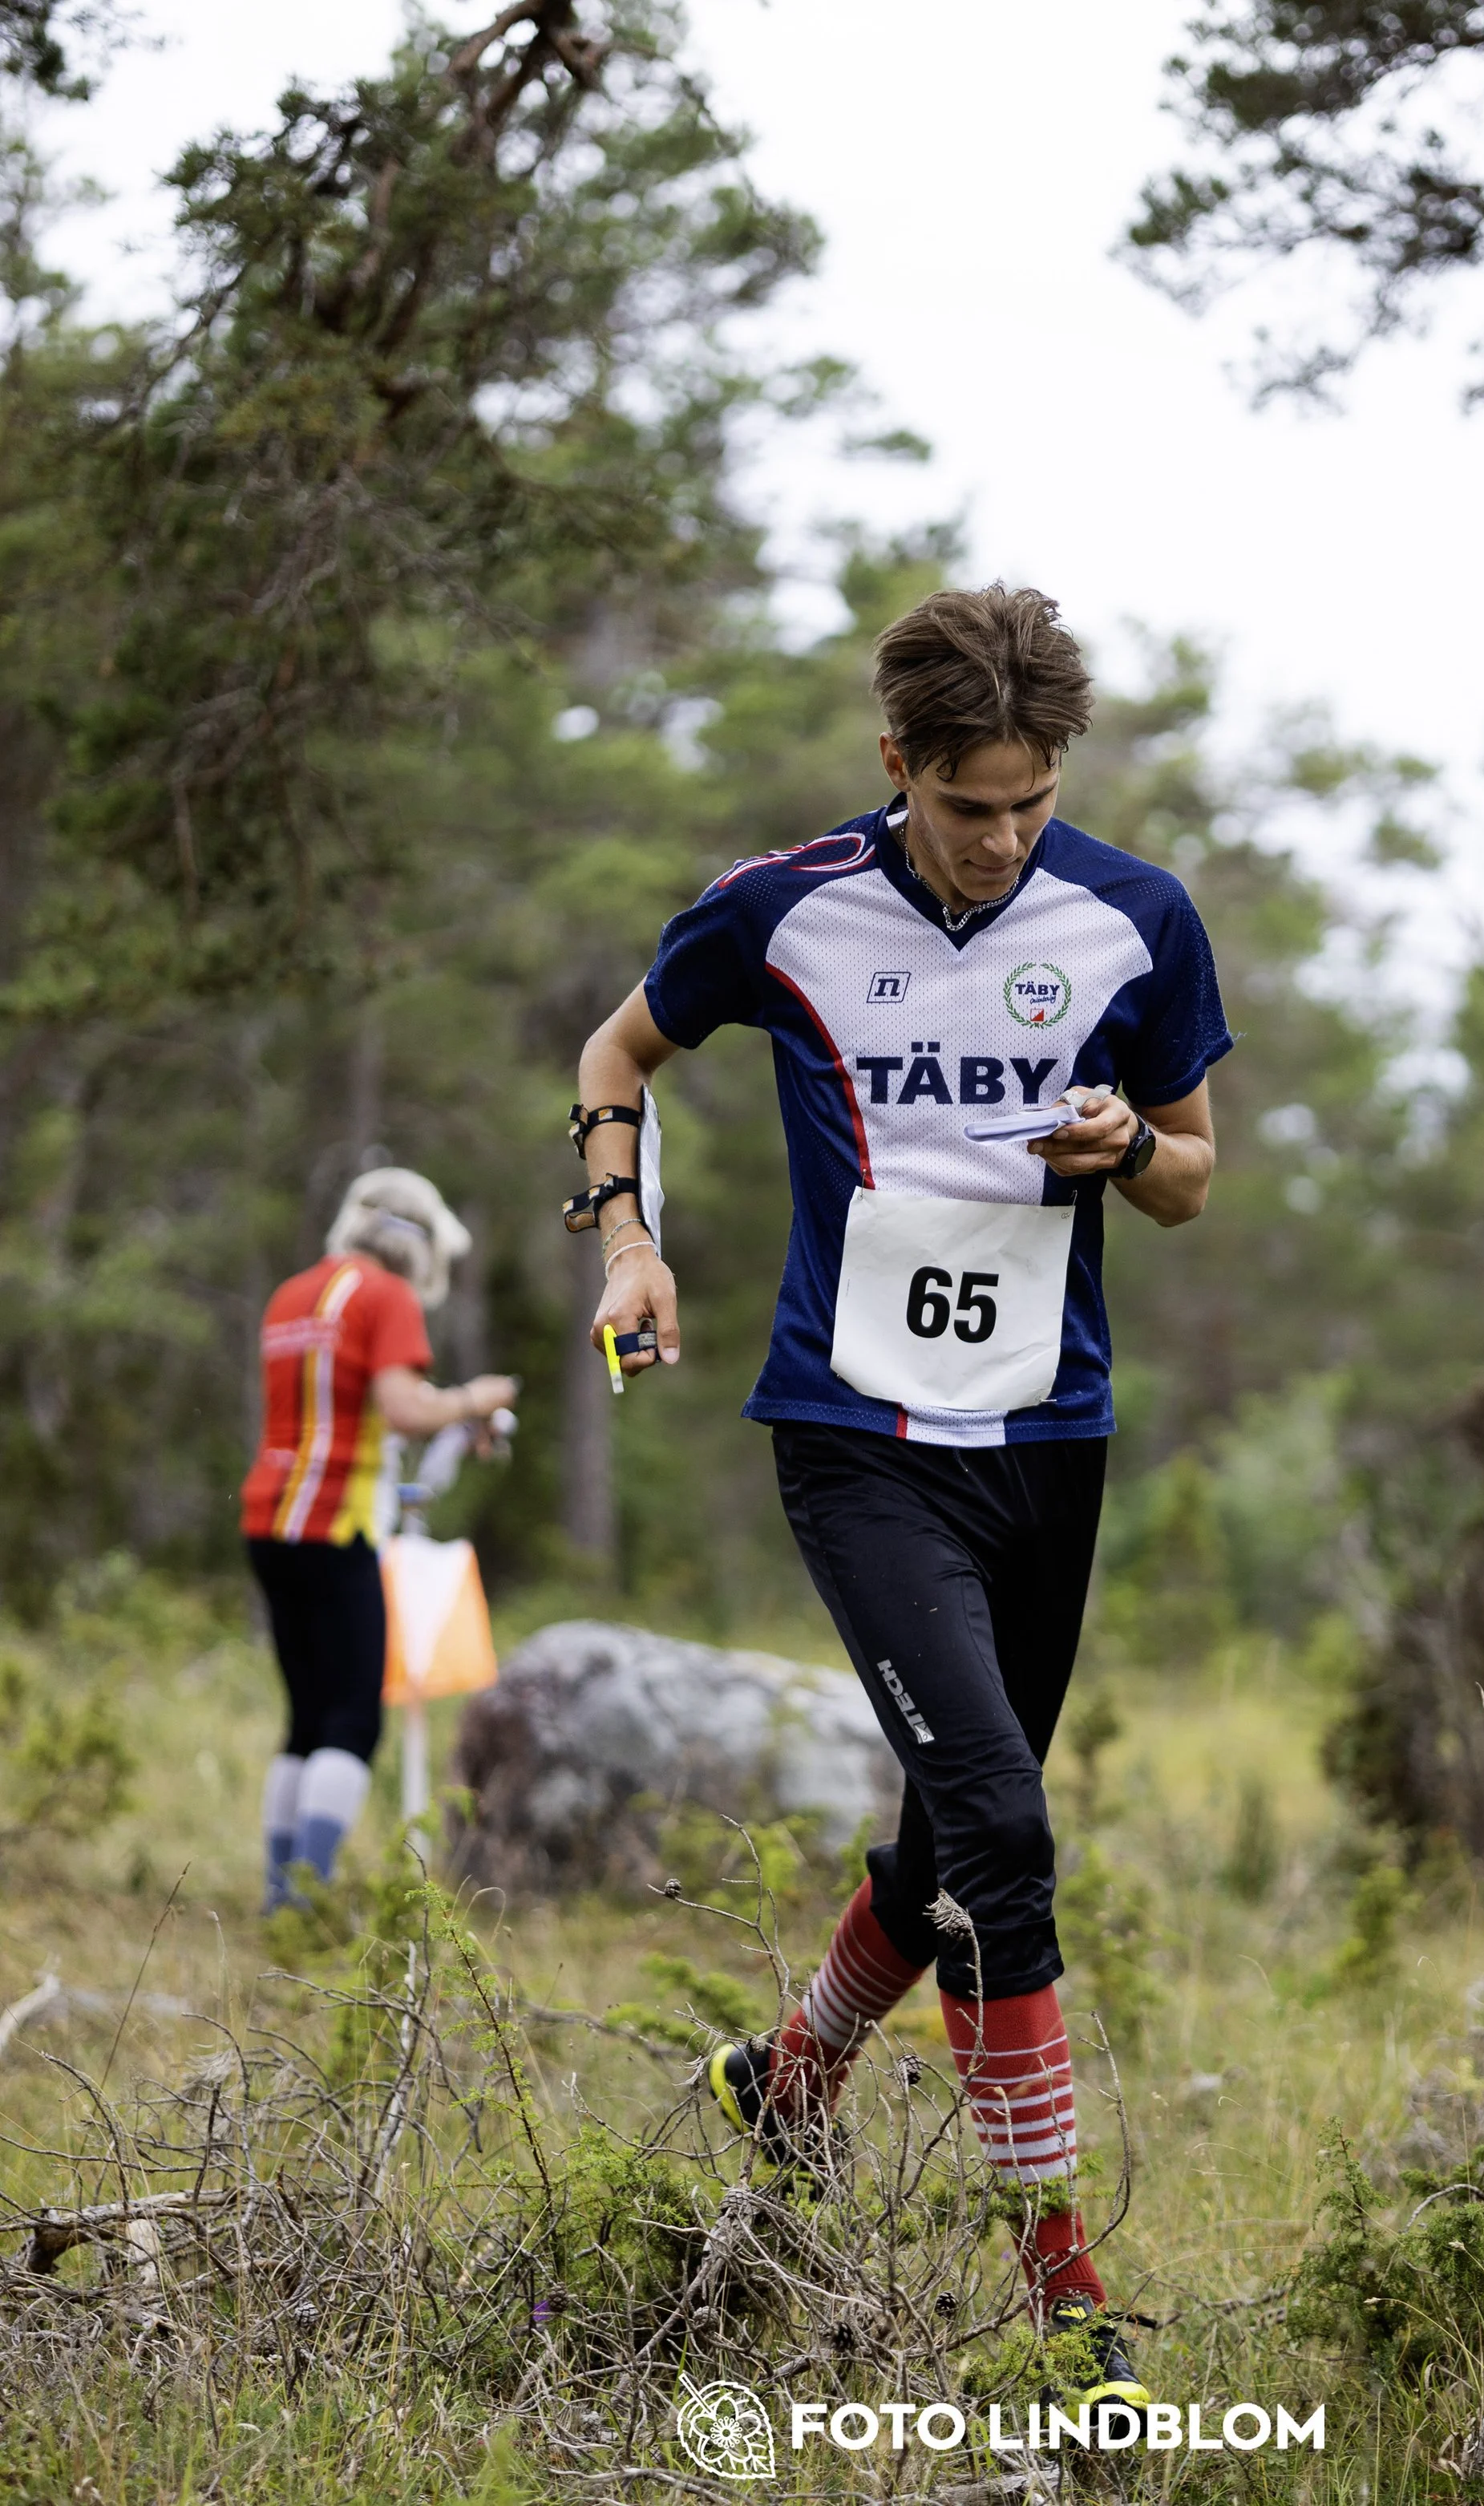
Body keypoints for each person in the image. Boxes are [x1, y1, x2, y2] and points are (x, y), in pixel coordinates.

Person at [573, 585, 1230, 2411]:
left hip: (1048, 1438)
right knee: (1007, 1832)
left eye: (1028, 803)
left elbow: (1190, 1182)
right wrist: (627, 1241)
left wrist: (1126, 1147)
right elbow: (614, 1055)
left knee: (954, 1827)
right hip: (858, 1437)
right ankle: (1070, 2295)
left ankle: (788, 2074)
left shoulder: (1133, 918)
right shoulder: (782, 907)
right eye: (967, 808)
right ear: (897, 768)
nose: (1002, 838)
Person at [240, 1167, 516, 1910]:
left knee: (306, 1716)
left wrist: (445, 1414)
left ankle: (279, 1890)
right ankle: (304, 1898)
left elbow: (338, 1405)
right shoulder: (386, 1294)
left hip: (270, 1520)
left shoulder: (294, 1293)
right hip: (337, 1525)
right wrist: (475, 1399)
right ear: (419, 1244)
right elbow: (399, 1407)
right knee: (354, 1718)